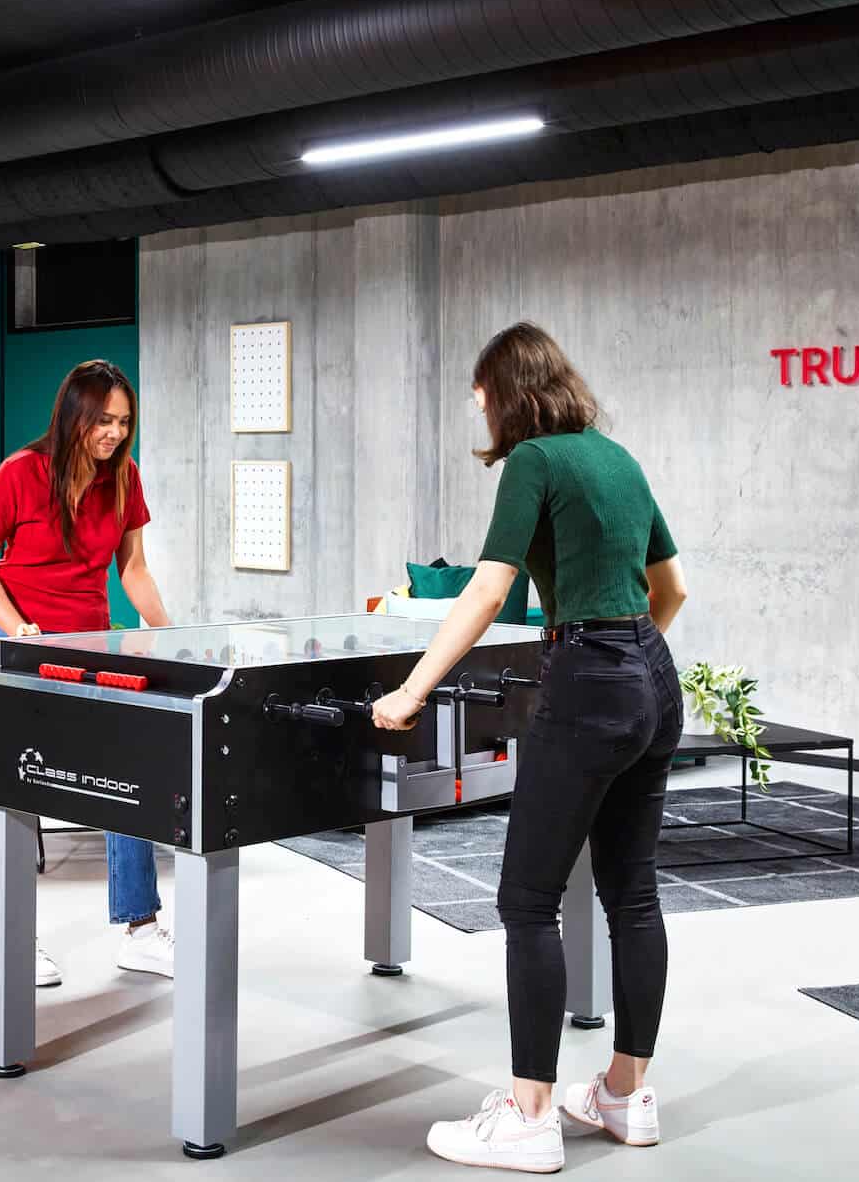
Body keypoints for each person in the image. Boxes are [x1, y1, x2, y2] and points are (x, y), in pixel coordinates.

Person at [370, 322, 689, 1174]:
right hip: (656, 680)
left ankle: (529, 1114)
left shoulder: (536, 462)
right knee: (633, 896)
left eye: (482, 392)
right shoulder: (616, 458)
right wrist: (629, 667)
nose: (478, 407)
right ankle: (625, 1093)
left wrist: (413, 689)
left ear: (509, 390)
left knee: (525, 901)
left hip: (589, 679)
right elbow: (673, 587)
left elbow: (489, 586)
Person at [0, 359, 175, 988]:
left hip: (92, 642)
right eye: (104, 420)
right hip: (19, 641)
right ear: (75, 415)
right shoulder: (21, 473)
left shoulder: (123, 479)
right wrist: (14, 625)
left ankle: (139, 930)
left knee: (126, 773)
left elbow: (132, 569)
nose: (114, 433)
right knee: (21, 781)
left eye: (124, 422)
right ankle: (13, 939)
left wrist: (169, 635)